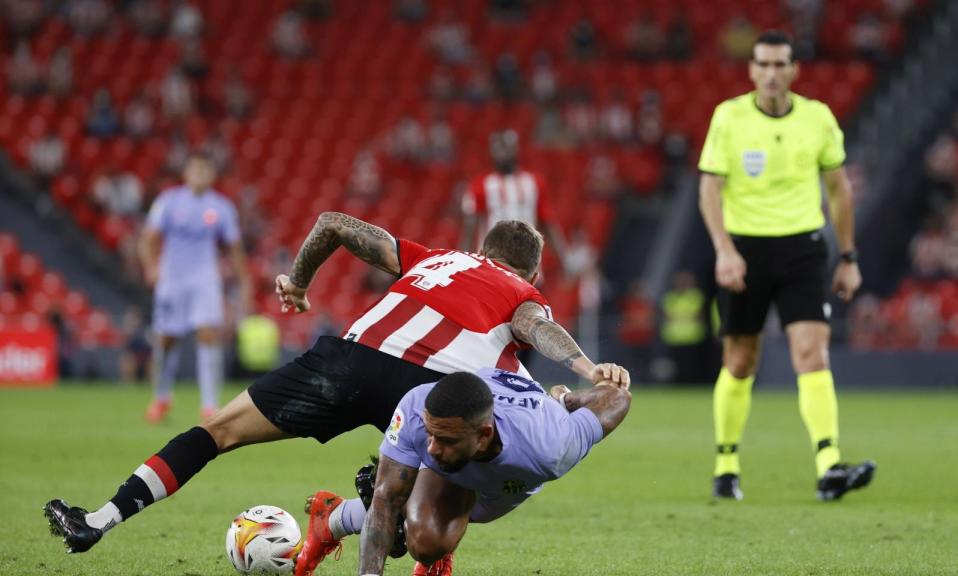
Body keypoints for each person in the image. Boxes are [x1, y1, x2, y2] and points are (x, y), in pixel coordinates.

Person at [44, 219, 621, 556]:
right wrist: (585, 368)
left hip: (345, 361)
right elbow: (533, 328)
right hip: (424, 389)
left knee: (217, 431)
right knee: (438, 502)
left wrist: (297, 282)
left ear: (482, 249)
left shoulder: (436, 257)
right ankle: (379, 512)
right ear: (532, 273)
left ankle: (98, 520)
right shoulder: (520, 290)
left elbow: (333, 223)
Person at [697, 30, 874, 501]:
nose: (772, 74)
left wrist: (849, 257)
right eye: (764, 65)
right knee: (739, 360)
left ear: (794, 70)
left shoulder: (817, 119)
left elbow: (838, 190)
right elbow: (710, 188)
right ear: (752, 70)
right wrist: (724, 249)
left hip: (803, 248)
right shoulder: (729, 118)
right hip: (745, 249)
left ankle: (829, 464)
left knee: (812, 353)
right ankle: (726, 465)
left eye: (781, 65)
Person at [295, 367, 631, 576]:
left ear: (483, 436)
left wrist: (570, 400)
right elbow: (384, 498)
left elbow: (618, 398)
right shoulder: (417, 408)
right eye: (429, 434)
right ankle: (335, 521)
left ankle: (338, 513)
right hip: (467, 457)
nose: (431, 448)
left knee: (443, 519)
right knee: (423, 539)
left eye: (444, 439)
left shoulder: (550, 447)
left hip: (523, 439)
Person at [137, 151, 251, 423]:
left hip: (204, 278)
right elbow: (148, 239)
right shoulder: (168, 201)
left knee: (208, 333)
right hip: (172, 278)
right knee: (166, 339)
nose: (199, 174)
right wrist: (151, 267)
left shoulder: (222, 207)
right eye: (195, 169)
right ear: (186, 172)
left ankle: (210, 406)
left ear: (212, 175)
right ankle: (161, 396)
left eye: (204, 169)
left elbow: (234, 249)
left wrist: (244, 280)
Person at [461, 130, 568, 270]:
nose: (502, 153)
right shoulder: (480, 185)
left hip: (527, 263)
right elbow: (469, 228)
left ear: (515, 148)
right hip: (492, 264)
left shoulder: (534, 183)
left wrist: (564, 258)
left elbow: (547, 222)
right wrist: (463, 261)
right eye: (497, 148)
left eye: (505, 147)